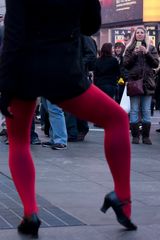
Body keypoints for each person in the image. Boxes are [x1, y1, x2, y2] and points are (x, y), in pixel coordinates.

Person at [0, 0, 137, 238]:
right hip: (63, 71)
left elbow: (13, 35)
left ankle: (30, 212)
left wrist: (5, 84)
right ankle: (122, 198)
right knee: (116, 119)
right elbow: (90, 26)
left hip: (23, 71)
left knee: (19, 141)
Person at [123, 27, 159, 145]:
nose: (139, 34)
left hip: (147, 83)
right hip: (134, 82)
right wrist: (134, 54)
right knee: (134, 110)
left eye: (142, 33)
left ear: (145, 35)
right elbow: (126, 65)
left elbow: (155, 64)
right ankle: (135, 136)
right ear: (135, 35)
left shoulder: (151, 48)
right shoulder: (129, 48)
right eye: (137, 33)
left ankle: (146, 137)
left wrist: (146, 52)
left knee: (146, 110)